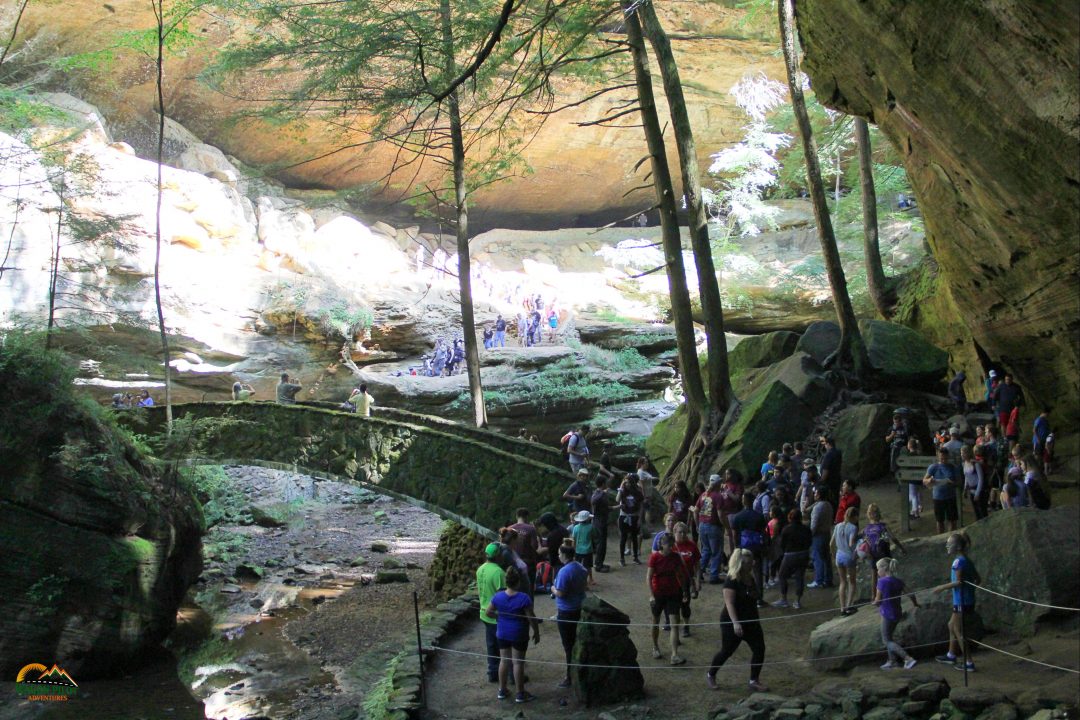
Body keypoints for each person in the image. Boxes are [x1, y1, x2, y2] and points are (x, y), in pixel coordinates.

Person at [705, 548, 767, 692]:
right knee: (727, 651)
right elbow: (729, 603)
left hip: (751, 620)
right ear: (741, 564)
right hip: (732, 621)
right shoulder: (731, 581)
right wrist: (735, 623)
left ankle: (754, 680)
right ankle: (711, 674)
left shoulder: (750, 578)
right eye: (749, 563)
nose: (752, 564)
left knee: (759, 648)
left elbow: (755, 596)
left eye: (751, 562)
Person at [487, 566, 540, 703]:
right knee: (518, 663)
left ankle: (502, 690)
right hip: (519, 633)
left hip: (502, 633)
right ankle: (520, 693)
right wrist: (536, 632)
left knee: (504, 660)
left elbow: (488, 612)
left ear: (506, 582)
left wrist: (499, 617)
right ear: (518, 582)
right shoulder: (524, 598)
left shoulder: (498, 596)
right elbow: (531, 617)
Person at [932, 533, 977, 672]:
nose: (947, 545)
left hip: (962, 601)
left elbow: (958, 582)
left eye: (949, 544)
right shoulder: (967, 560)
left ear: (957, 547)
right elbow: (977, 579)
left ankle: (969, 662)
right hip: (965, 600)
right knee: (951, 625)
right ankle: (951, 655)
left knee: (957, 629)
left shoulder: (958, 562)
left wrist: (941, 587)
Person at [646, 532, 688, 665]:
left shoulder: (675, 557)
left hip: (673, 593)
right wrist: (651, 595)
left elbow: (680, 574)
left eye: (671, 545)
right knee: (656, 620)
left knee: (675, 623)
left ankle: (674, 654)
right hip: (658, 593)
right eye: (668, 545)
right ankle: (655, 646)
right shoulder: (654, 557)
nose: (670, 547)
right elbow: (649, 577)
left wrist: (684, 590)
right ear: (662, 545)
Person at [551, 544, 588, 689]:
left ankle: (570, 675)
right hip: (579, 607)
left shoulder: (565, 571)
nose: (558, 556)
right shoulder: (580, 567)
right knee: (578, 641)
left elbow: (561, 593)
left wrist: (553, 589)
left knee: (568, 645)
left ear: (565, 555)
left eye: (560, 553)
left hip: (566, 611)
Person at [875, 557, 919, 670]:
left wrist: (875, 603)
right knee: (889, 637)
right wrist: (915, 604)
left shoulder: (882, 581)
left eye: (878, 569)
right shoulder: (898, 581)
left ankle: (908, 658)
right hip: (897, 613)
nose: (877, 571)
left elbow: (878, 601)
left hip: (887, 614)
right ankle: (892, 661)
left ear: (884, 568)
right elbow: (911, 594)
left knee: (886, 640)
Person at [477, 542, 507, 683]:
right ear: (498, 555)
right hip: (496, 615)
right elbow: (503, 596)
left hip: (484, 612)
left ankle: (492, 672)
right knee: (504, 647)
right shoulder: (498, 572)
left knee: (491, 645)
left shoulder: (480, 569)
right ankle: (510, 675)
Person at [730, 491, 767, 603]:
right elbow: (764, 533)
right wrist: (764, 547)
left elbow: (735, 535)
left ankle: (742, 596)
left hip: (742, 547)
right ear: (753, 501)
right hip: (756, 547)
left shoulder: (737, 517)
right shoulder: (759, 516)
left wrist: (736, 547)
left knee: (740, 571)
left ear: (743, 501)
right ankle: (759, 597)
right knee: (757, 572)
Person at [772, 509, 812, 610]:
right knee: (799, 577)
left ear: (790, 518)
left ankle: (784, 599)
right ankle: (797, 601)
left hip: (790, 554)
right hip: (804, 553)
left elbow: (782, 544)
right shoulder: (806, 528)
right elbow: (810, 541)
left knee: (782, 575)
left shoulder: (787, 529)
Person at [862, 503, 906, 589]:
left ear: (868, 514)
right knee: (889, 572)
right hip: (884, 553)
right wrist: (902, 548)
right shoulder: (883, 526)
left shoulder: (866, 529)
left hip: (872, 553)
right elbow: (893, 538)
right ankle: (891, 590)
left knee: (874, 574)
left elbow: (865, 543)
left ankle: (874, 594)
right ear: (878, 513)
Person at [694, 475, 725, 584]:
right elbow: (720, 515)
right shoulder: (718, 496)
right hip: (713, 526)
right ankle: (714, 576)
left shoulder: (703, 495)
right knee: (716, 552)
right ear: (718, 484)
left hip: (702, 525)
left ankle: (699, 572)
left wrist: (697, 524)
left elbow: (695, 511)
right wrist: (725, 525)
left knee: (706, 550)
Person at [672, 522, 701, 638]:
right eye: (680, 532)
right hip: (672, 581)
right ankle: (673, 626)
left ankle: (686, 625)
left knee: (685, 604)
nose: (683, 535)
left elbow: (697, 565)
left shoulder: (692, 545)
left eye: (685, 532)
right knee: (674, 605)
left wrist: (698, 581)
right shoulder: (670, 546)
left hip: (686, 581)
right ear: (675, 532)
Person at [923, 447, 959, 534]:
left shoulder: (952, 467)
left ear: (948, 457)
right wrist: (929, 480)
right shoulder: (933, 467)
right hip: (938, 498)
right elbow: (924, 480)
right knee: (939, 520)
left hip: (950, 497)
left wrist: (952, 483)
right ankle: (941, 537)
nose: (943, 460)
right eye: (941, 458)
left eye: (945, 458)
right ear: (938, 456)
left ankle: (951, 536)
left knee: (952, 520)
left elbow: (958, 482)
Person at [832, 506, 859, 615]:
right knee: (852, 582)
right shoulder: (853, 528)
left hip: (839, 556)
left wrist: (834, 555)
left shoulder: (837, 526)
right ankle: (849, 606)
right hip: (848, 556)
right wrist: (858, 546)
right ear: (855, 516)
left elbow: (831, 543)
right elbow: (851, 543)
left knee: (842, 582)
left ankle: (842, 608)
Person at [808, 486, 834, 589]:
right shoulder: (828, 505)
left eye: (815, 493)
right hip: (827, 533)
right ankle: (828, 579)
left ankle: (819, 580)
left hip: (818, 534)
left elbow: (814, 524)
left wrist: (810, 535)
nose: (814, 495)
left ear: (819, 495)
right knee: (826, 558)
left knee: (818, 558)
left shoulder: (818, 507)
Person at [616, 473, 644, 565]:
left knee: (634, 537)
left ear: (632, 483)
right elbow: (617, 499)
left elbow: (641, 506)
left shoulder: (637, 492)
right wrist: (621, 487)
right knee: (623, 537)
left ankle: (635, 557)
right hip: (624, 516)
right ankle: (622, 558)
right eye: (625, 482)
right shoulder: (622, 491)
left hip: (634, 516)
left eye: (628, 482)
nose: (627, 484)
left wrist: (640, 518)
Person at [510, 508, 540, 594]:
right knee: (529, 589)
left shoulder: (510, 529)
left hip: (513, 562)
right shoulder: (531, 529)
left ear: (516, 516)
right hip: (528, 563)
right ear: (527, 517)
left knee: (515, 589)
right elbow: (535, 546)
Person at [590, 475, 615, 573]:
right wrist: (603, 493)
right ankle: (598, 565)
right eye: (606, 482)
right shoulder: (597, 493)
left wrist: (617, 507)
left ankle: (600, 563)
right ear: (603, 483)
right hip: (598, 522)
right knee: (600, 544)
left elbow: (605, 508)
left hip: (602, 521)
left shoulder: (601, 494)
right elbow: (593, 501)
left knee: (603, 543)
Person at [960, 446, 988, 520]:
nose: (962, 455)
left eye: (963, 453)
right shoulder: (964, 464)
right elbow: (966, 476)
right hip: (971, 491)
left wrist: (977, 493)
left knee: (982, 512)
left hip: (979, 491)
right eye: (961, 453)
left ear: (968, 453)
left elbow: (981, 479)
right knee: (977, 512)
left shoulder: (975, 464)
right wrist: (965, 489)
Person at [571, 510, 597, 587]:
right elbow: (595, 535)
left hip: (578, 550)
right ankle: (590, 579)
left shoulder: (575, 527)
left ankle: (577, 579)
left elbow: (573, 539)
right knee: (588, 566)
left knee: (577, 565)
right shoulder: (591, 527)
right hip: (588, 550)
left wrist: (573, 549)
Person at [901, 437, 925, 519]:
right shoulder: (919, 455)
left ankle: (915, 512)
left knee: (913, 495)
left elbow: (906, 467)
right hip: (919, 477)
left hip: (911, 478)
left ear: (909, 446)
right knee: (917, 494)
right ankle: (917, 508)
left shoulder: (908, 456)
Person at [819, 435, 843, 502]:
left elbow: (826, 470)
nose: (825, 446)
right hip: (836, 479)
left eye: (825, 444)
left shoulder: (829, 454)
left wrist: (821, 481)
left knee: (829, 499)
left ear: (828, 444)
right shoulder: (838, 452)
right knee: (835, 498)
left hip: (829, 482)